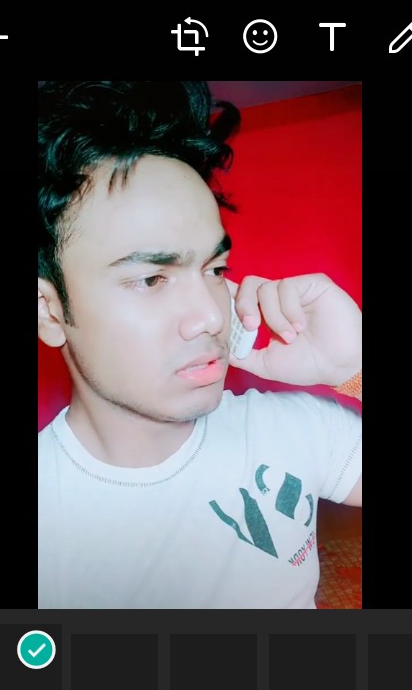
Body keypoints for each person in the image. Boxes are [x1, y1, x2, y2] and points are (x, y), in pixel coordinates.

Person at [38, 80, 362, 609]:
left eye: (215, 269)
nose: (212, 316)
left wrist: (354, 369)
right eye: (151, 279)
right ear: (49, 311)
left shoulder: (293, 430)